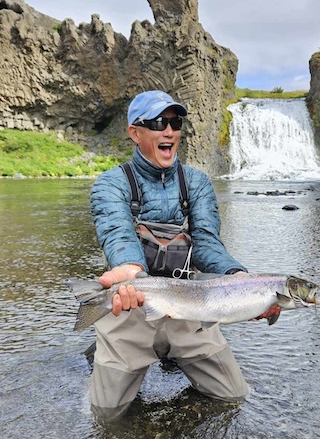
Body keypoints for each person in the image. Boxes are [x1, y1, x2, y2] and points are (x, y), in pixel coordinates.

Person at [88, 90, 280, 419]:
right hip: (131, 306)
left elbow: (206, 243)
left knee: (232, 396)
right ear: (135, 132)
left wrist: (239, 279)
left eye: (175, 122)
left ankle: (172, 357)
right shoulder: (110, 184)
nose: (169, 131)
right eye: (159, 122)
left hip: (191, 304)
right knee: (105, 415)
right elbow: (117, 232)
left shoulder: (197, 183)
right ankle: (103, 353)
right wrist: (131, 268)